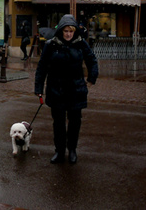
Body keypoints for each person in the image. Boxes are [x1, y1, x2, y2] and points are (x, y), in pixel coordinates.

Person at [34, 14, 99, 165]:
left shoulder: (81, 43)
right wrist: (38, 88)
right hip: (56, 89)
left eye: (71, 31)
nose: (68, 34)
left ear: (75, 31)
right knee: (58, 123)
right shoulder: (51, 45)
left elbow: (92, 60)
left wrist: (91, 80)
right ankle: (59, 150)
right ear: (61, 31)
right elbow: (42, 67)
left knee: (75, 122)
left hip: (76, 90)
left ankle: (72, 150)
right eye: (66, 31)